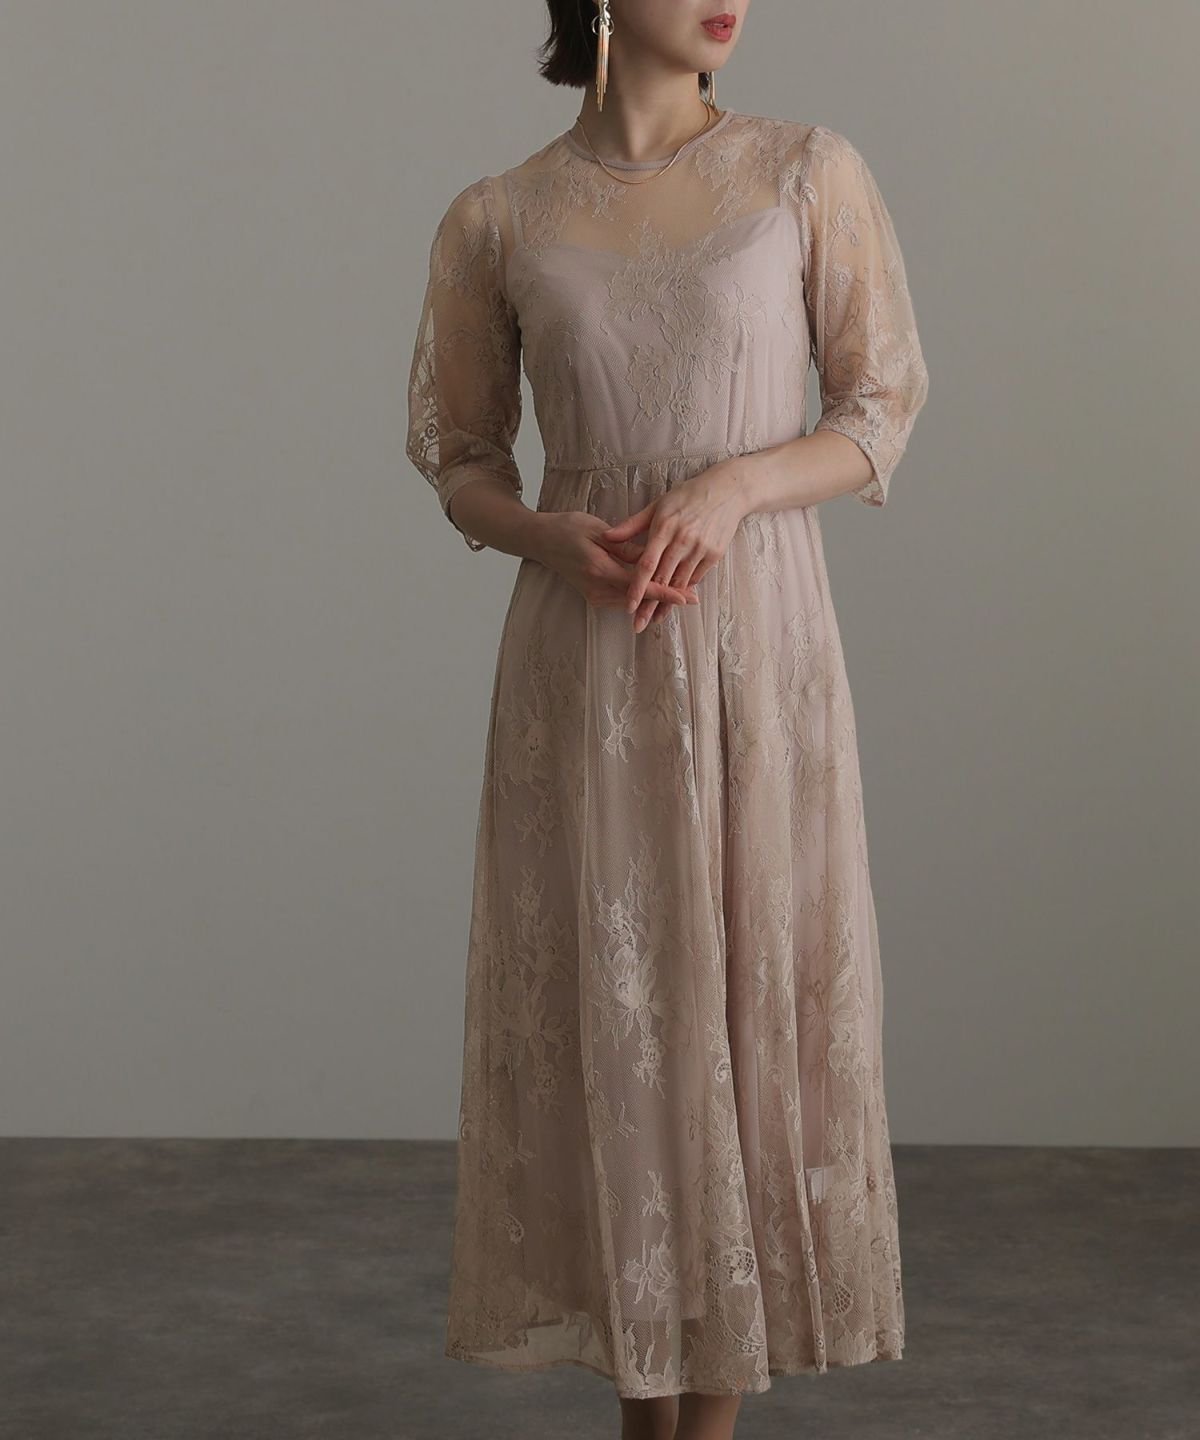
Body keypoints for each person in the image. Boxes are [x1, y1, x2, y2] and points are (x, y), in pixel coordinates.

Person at [405, 3, 929, 1436]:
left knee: (745, 1013)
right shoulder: (498, 217)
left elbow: (881, 403)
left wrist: (734, 486)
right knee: (626, 1019)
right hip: (588, 659)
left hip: (759, 646)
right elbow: (456, 451)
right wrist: (542, 533)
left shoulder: (805, 171)